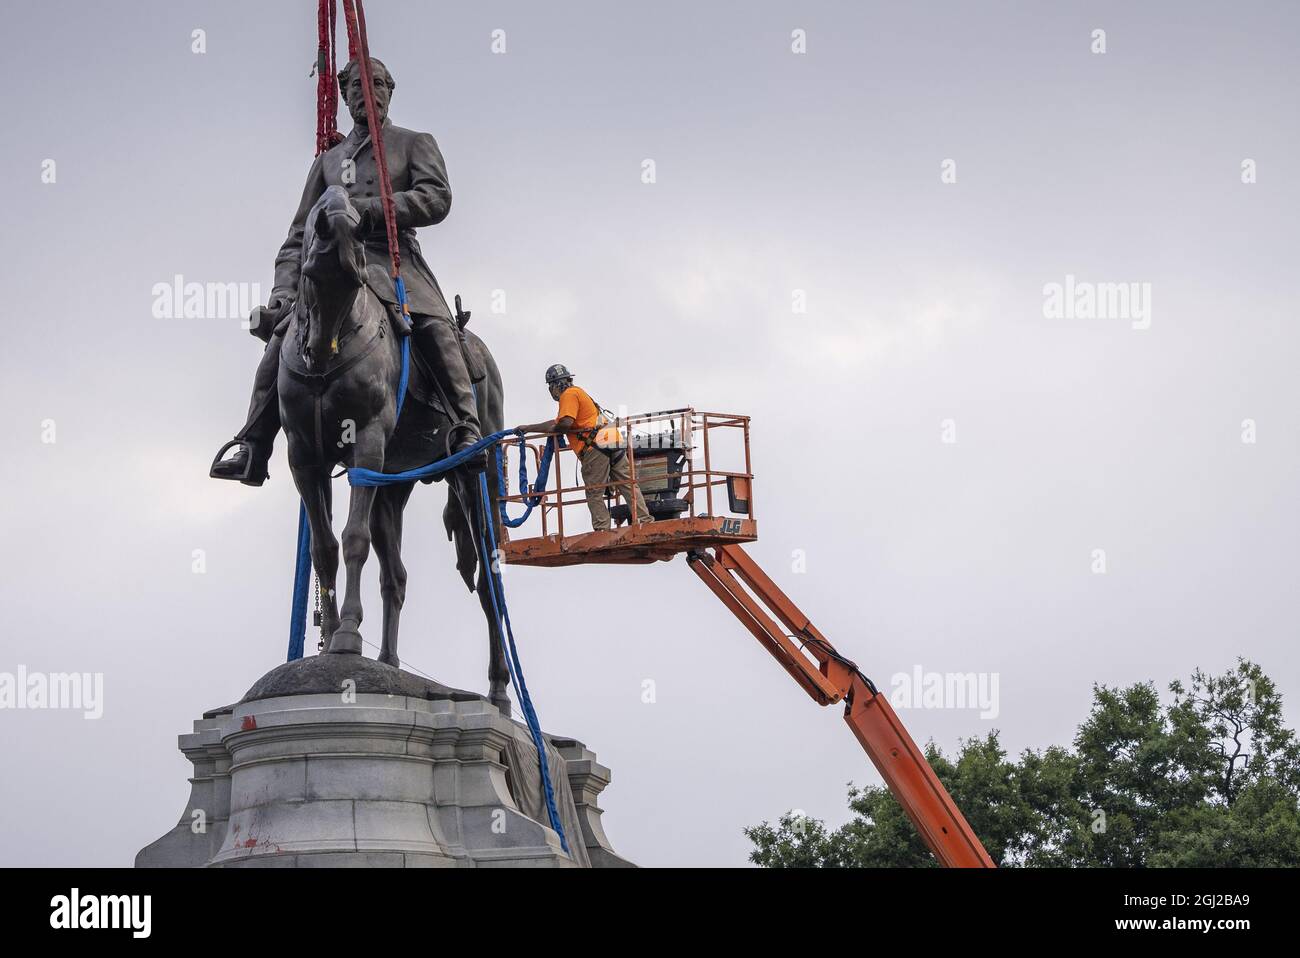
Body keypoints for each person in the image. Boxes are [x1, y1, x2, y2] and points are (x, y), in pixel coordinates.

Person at [210, 56, 484, 485]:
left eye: (375, 84)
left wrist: (370, 211)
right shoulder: (327, 161)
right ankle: (253, 443)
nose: (365, 92)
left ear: (389, 91)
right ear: (344, 95)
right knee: (282, 340)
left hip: (393, 258)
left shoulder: (414, 142)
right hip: (330, 264)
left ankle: (465, 426)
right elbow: (299, 235)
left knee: (435, 327)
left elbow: (437, 198)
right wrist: (283, 294)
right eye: (355, 86)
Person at [515, 365, 650, 532]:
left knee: (594, 492)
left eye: (550, 387)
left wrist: (549, 430)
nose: (551, 392)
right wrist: (529, 427)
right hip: (612, 439)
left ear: (555, 385)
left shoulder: (568, 395)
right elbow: (559, 421)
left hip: (595, 447)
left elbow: (564, 424)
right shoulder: (578, 392)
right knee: (627, 484)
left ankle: (602, 531)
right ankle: (645, 520)